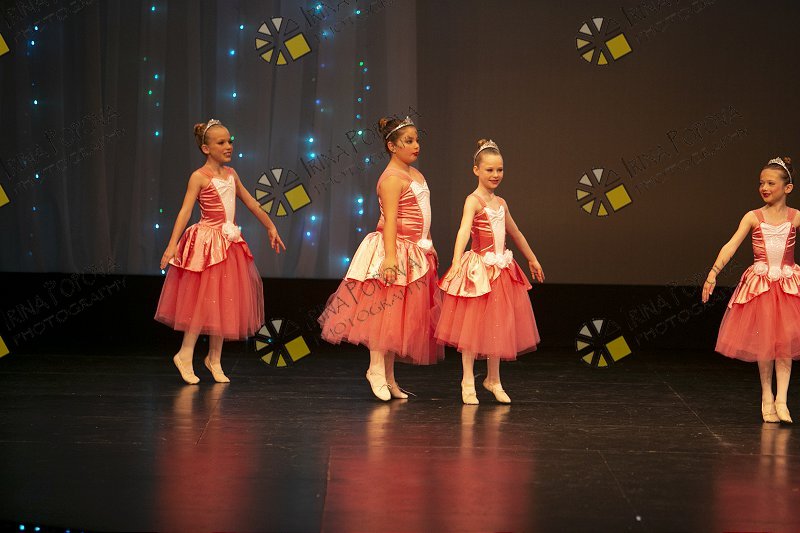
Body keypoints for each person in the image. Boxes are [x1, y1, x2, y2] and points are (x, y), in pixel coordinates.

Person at [318, 116, 443, 401]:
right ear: (391, 146)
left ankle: (389, 377)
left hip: (415, 251)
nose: (416, 145)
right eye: (408, 141)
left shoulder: (415, 175)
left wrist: (428, 243)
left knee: (396, 320)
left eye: (416, 140)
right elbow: (389, 221)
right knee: (384, 313)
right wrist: (389, 258)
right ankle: (375, 369)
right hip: (395, 249)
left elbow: (421, 214)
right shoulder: (391, 178)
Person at [155, 119, 285, 384]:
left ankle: (214, 359)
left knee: (224, 300)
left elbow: (251, 202)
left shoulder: (232, 174)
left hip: (229, 245)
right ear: (206, 148)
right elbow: (185, 211)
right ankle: (185, 354)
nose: (228, 146)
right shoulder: (199, 177)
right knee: (202, 301)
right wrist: (172, 244)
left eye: (230, 141)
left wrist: (270, 226)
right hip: (207, 243)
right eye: (221, 142)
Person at [435, 139, 543, 404]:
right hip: (479, 271)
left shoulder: (501, 203)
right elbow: (463, 230)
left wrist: (532, 259)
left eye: (500, 170)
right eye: (490, 170)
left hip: (502, 271)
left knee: (498, 324)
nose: (496, 175)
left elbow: (515, 233)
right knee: (471, 327)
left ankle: (493, 378)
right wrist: (456, 260)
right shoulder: (473, 201)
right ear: (476, 170)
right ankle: (467, 380)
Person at [703, 157, 800, 423]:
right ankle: (767, 397)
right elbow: (731, 245)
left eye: (770, 183)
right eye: (761, 183)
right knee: (766, 344)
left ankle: (782, 400)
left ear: (787, 188)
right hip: (761, 287)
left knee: (784, 344)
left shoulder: (795, 217)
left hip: (788, 285)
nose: (764, 188)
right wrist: (713, 272)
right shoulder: (753, 217)